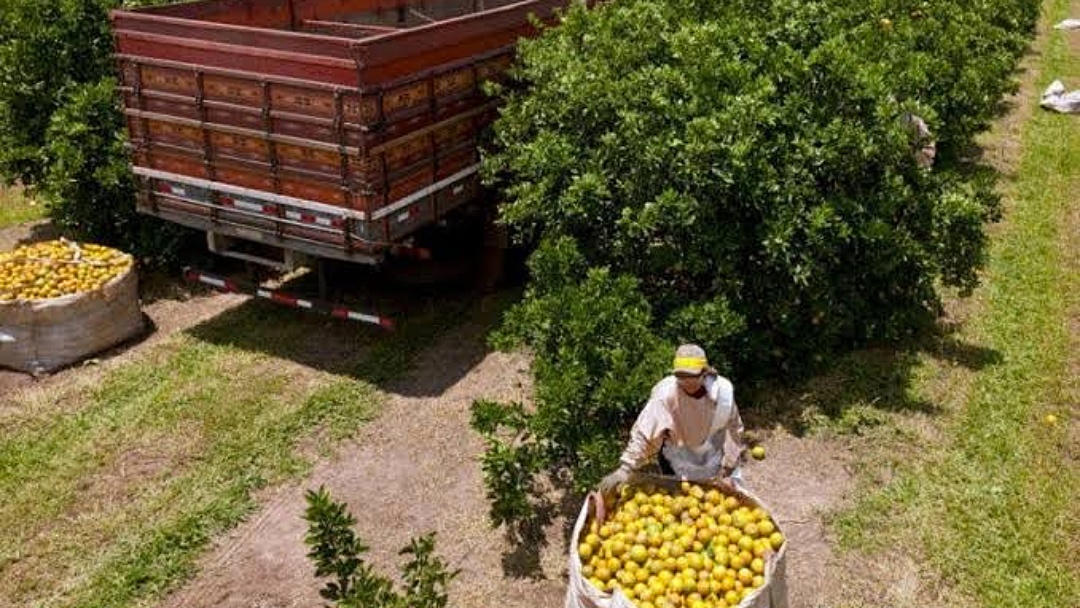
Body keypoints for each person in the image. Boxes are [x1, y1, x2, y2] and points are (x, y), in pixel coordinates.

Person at [598, 344, 745, 496]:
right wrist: (625, 468)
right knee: (679, 500)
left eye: (692, 376)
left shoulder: (723, 395)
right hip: (676, 456)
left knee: (713, 499)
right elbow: (645, 432)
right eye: (681, 377)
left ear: (705, 373)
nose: (687, 382)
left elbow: (733, 430)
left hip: (711, 454)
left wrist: (729, 468)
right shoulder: (666, 395)